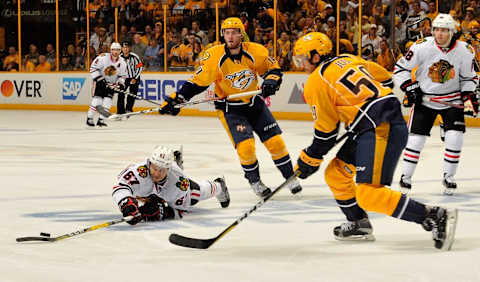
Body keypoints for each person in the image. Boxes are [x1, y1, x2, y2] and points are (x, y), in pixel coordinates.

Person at [292, 32, 458, 250]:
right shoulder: (350, 59)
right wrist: (361, 109)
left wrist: (308, 160)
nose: (300, 63)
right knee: (336, 173)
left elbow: (326, 134)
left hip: (380, 126)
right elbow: (385, 79)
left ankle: (433, 215)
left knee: (368, 193)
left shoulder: (316, 82)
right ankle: (358, 223)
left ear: (315, 56)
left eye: (302, 58)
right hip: (376, 122)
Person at [157, 17, 302, 198]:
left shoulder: (255, 51)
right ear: (222, 34)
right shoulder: (214, 56)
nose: (230, 36)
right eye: (227, 32)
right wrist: (179, 97)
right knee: (246, 147)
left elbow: (273, 70)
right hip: (230, 109)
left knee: (276, 143)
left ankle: (290, 177)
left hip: (254, 104)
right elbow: (197, 83)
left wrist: (272, 81)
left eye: (234, 32)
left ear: (242, 34)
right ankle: (255, 181)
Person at [394, 13, 478, 195]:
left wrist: (468, 95)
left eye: (444, 30)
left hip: (452, 99)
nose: (439, 34)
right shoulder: (421, 47)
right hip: (425, 99)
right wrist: (409, 87)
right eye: (437, 30)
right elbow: (400, 70)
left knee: (455, 138)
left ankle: (449, 177)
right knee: (416, 140)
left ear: (452, 32)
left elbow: (469, 77)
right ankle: (405, 177)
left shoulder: (465, 50)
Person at [112, 146, 230, 225]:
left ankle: (219, 186)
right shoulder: (138, 172)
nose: (157, 174)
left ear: (168, 169)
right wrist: (125, 203)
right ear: (149, 163)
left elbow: (181, 211)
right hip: (147, 192)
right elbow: (120, 187)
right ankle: (177, 162)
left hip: (171, 187)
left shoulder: (179, 183)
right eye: (154, 168)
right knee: (142, 195)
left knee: (196, 194)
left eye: (162, 170)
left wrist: (164, 213)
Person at [87, 42, 127, 127]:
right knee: (97, 101)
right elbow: (93, 68)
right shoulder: (103, 57)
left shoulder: (122, 62)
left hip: (111, 84)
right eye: (114, 50)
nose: (115, 52)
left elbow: (122, 75)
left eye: (118, 50)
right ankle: (89, 118)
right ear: (111, 50)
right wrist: (100, 80)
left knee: (108, 102)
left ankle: (101, 120)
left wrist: (120, 83)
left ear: (120, 51)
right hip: (99, 83)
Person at [117, 41, 143, 115]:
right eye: (124, 47)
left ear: (129, 48)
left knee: (132, 94)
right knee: (121, 94)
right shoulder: (119, 57)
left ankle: (129, 109)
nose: (125, 49)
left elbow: (140, 67)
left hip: (134, 77)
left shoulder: (134, 57)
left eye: (127, 47)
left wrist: (135, 78)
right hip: (124, 79)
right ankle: (120, 111)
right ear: (121, 48)